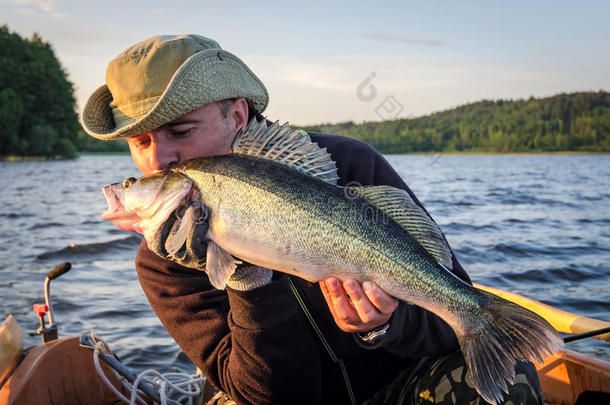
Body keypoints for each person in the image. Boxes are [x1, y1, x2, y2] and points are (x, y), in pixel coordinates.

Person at [82, 34, 544, 405]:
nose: (160, 158)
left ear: (237, 114)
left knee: (507, 378)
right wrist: (246, 280)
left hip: (394, 390)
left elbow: (447, 322)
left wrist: (383, 325)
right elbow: (265, 395)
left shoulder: (350, 167)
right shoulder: (164, 261)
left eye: (181, 130)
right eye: (139, 143)